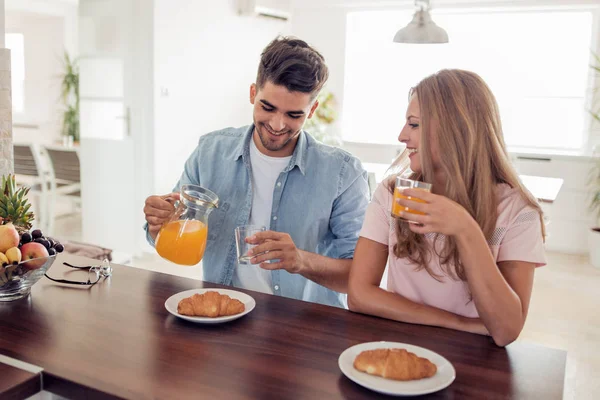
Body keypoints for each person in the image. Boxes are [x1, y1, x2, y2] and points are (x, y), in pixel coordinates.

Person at [144, 36, 369, 308]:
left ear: (312, 111)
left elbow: (361, 279)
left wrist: (301, 260)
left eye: (293, 115)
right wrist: (159, 223)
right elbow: (167, 235)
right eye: (267, 107)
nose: (277, 124)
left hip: (304, 328)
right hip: (225, 314)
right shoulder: (210, 152)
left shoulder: (344, 173)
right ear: (253, 93)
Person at [347, 69, 546, 346]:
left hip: (474, 360)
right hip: (401, 348)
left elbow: (505, 330)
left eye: (414, 125)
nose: (402, 135)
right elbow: (358, 295)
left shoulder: (518, 213)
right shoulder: (393, 194)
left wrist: (465, 229)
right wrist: (459, 324)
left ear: (456, 129)